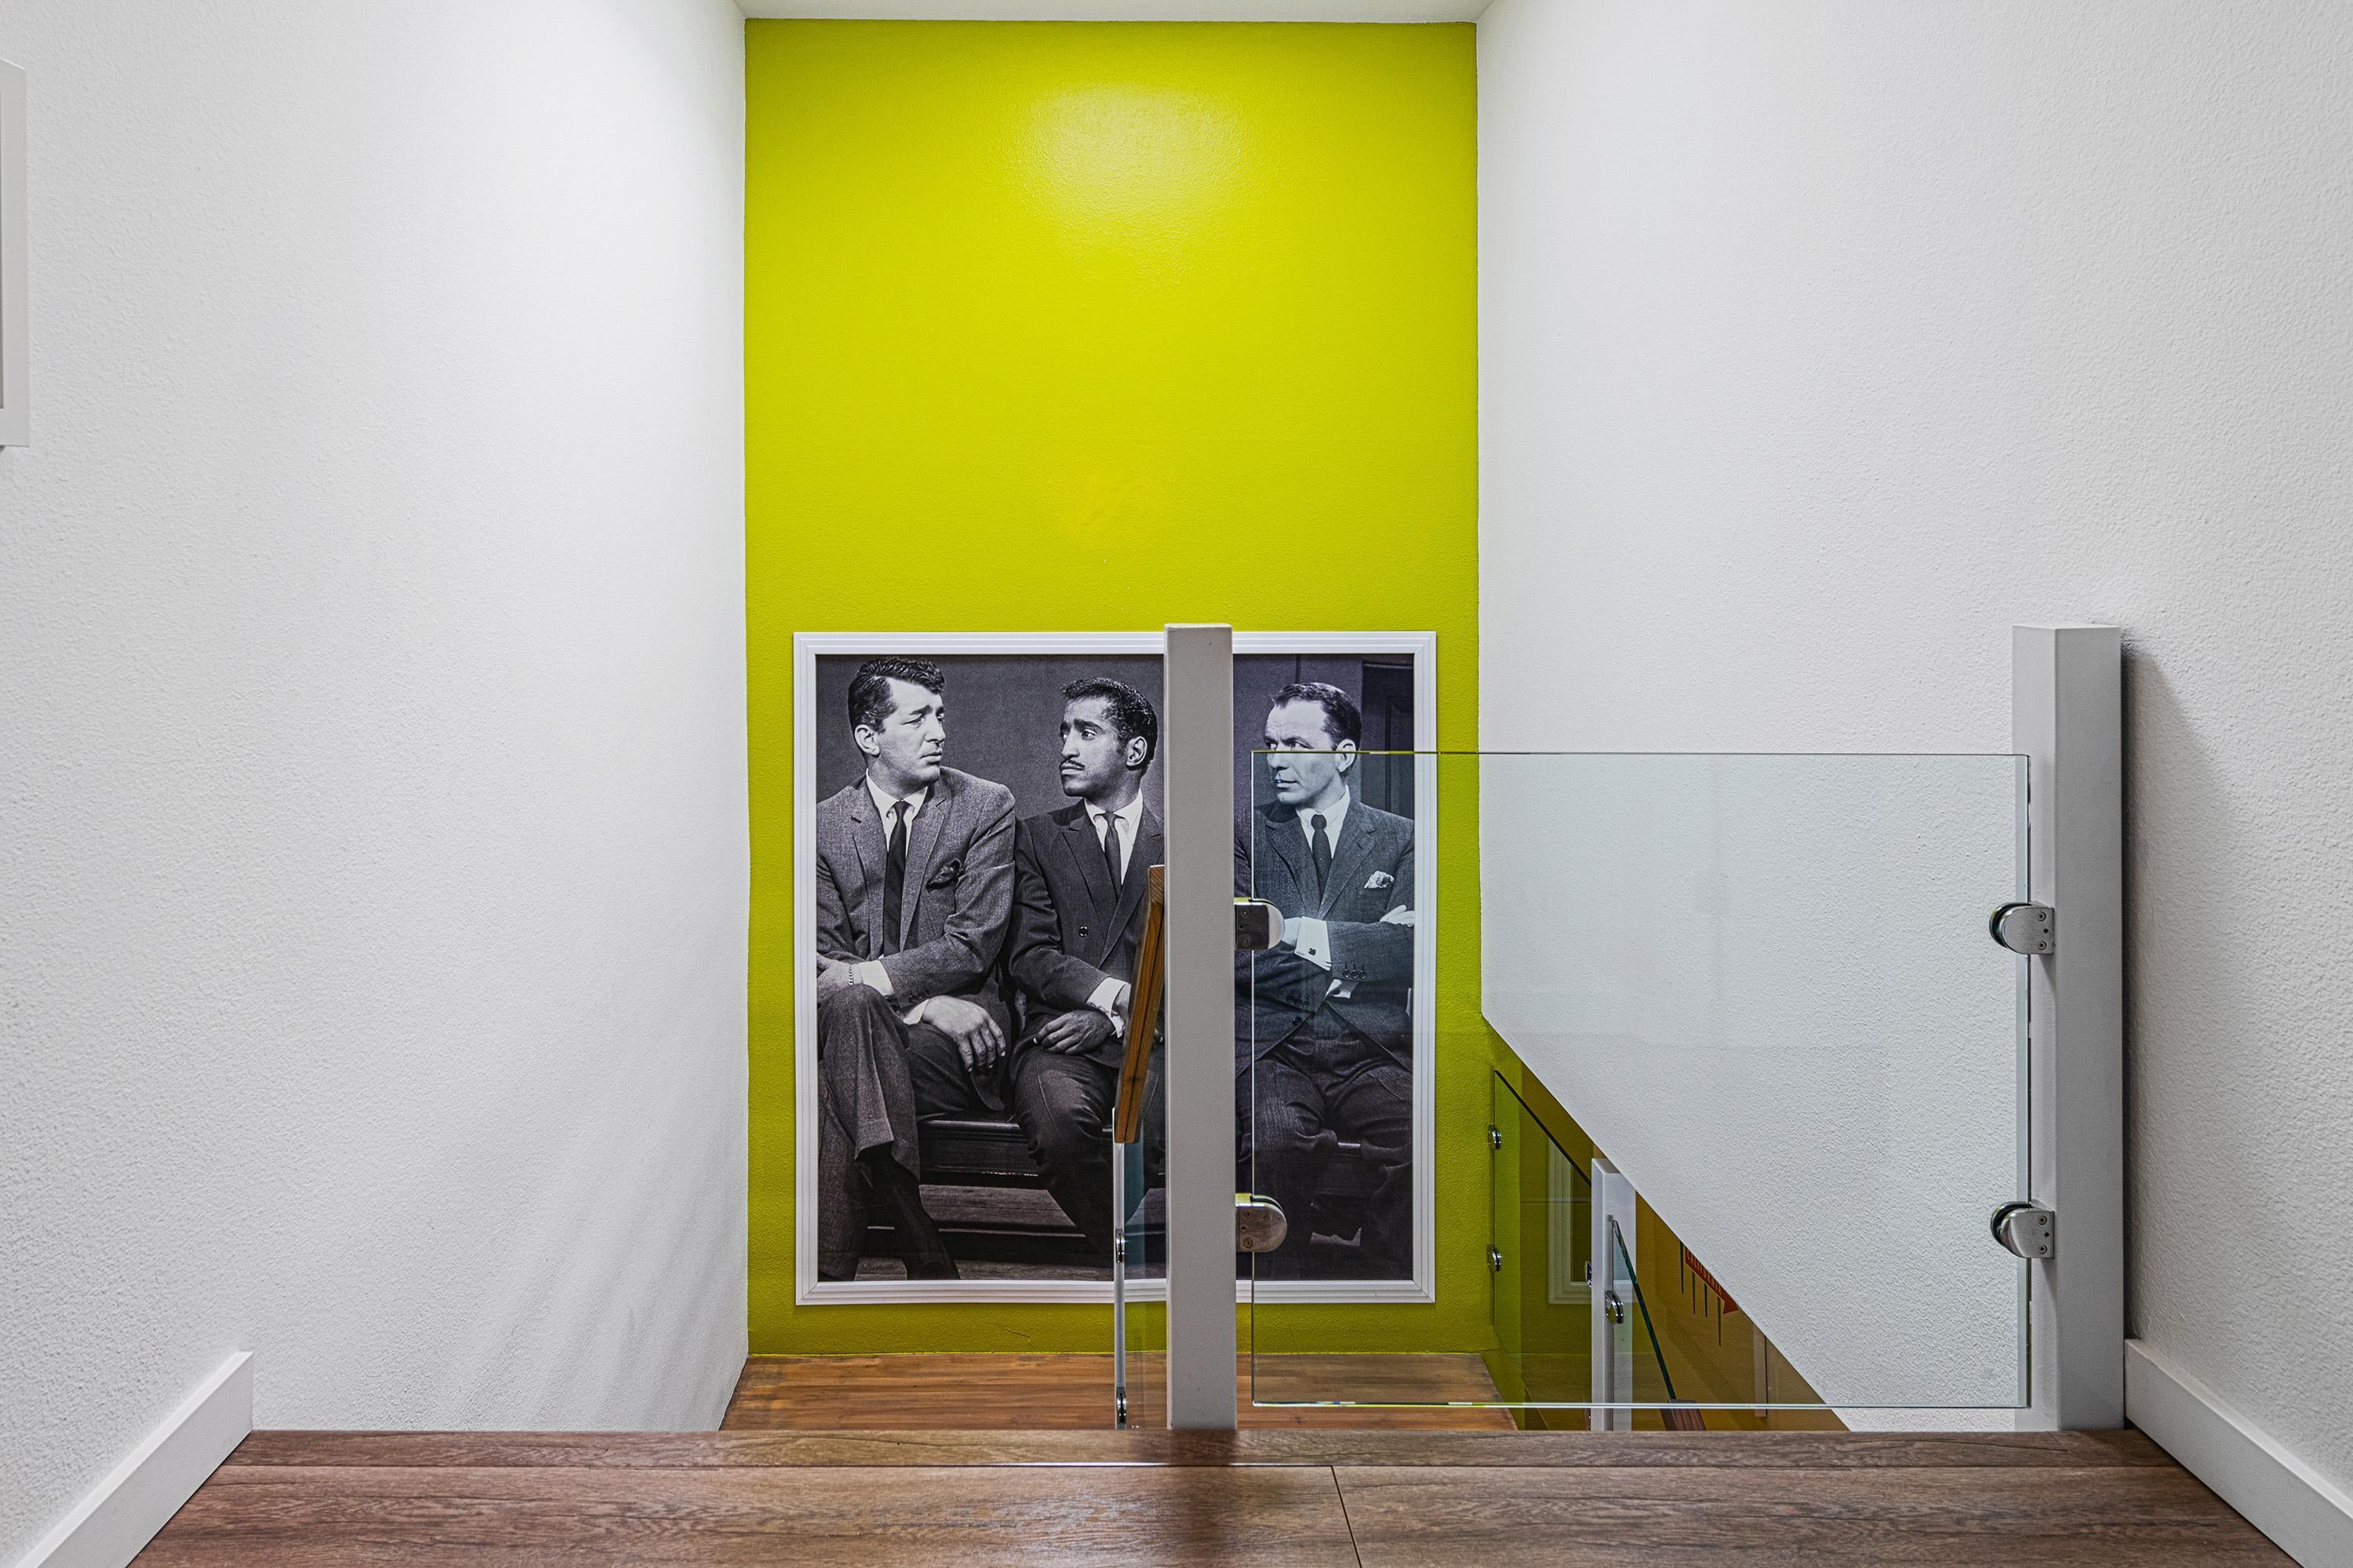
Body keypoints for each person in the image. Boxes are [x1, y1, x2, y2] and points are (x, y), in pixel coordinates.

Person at [813, 657, 1016, 1282]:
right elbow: (823, 955)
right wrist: (923, 1002)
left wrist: (889, 995)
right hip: (905, 1021)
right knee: (851, 1016)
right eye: (918, 717)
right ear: (868, 738)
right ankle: (912, 1224)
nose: (939, 732)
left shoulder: (984, 806)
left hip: (958, 1044)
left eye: (941, 716)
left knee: (839, 1063)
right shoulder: (820, 827)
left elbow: (972, 943)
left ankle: (828, 1283)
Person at [1234, 681, 1414, 1279]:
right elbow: (1236, 954)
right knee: (1276, 1141)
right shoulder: (1244, 835)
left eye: (1295, 744)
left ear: (1343, 754)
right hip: (1276, 1047)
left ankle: (1383, 1286)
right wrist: (1357, 958)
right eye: (1270, 744)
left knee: (1422, 1137)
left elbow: (1412, 950)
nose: (1277, 759)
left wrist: (1291, 932)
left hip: (1372, 1049)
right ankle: (1282, 1292)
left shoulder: (1401, 838)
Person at [1004, 678, 1164, 1261]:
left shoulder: (1183, 843)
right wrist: (1112, 997)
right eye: (1064, 732)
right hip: (1058, 1040)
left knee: (1170, 1127)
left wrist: (1117, 1017)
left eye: (1086, 732)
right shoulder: (1037, 838)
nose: (1066, 746)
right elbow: (1029, 952)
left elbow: (1195, 962)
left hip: (1157, 1039)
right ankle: (1128, 1256)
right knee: (1060, 1129)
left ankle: (1154, 1261)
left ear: (1135, 752)